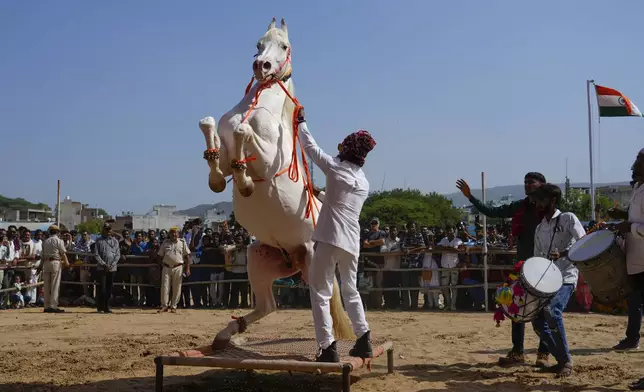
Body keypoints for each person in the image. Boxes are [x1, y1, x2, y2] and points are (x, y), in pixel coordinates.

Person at [297, 107, 376, 362]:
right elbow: (340, 203)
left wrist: (301, 122)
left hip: (330, 238)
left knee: (320, 290)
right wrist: (319, 193)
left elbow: (310, 147)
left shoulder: (334, 167)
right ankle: (363, 338)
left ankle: (327, 346)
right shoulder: (363, 182)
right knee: (350, 290)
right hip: (351, 241)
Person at [456, 173, 550, 367]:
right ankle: (517, 352)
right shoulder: (520, 206)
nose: (527, 185)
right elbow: (491, 211)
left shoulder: (551, 210)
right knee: (517, 306)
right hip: (523, 265)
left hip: (544, 265)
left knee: (543, 311)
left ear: (542, 185)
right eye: (525, 182)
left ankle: (544, 353)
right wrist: (470, 197)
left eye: (531, 182)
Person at [531, 183, 585, 377]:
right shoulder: (539, 228)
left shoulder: (569, 218)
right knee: (536, 321)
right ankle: (561, 359)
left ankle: (566, 361)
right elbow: (537, 258)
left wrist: (564, 253)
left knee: (552, 311)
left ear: (552, 200)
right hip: (547, 280)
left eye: (541, 200)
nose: (537, 203)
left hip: (567, 275)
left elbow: (584, 243)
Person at [610, 150, 644, 390]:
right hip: (635, 259)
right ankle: (632, 338)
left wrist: (629, 226)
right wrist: (622, 217)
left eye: (640, 159)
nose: (635, 162)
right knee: (634, 302)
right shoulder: (637, 188)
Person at [158, 228, 191, 313]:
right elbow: (160, 255)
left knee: (177, 287)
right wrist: (161, 265)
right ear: (169, 234)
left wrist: (187, 268)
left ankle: (174, 306)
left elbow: (187, 256)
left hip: (178, 267)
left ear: (178, 234)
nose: (174, 235)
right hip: (166, 267)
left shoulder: (182, 243)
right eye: (172, 233)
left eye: (175, 233)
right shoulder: (165, 243)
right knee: (165, 287)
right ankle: (164, 306)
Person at [41, 225, 70, 313]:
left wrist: (40, 266)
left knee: (46, 285)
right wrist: (67, 263)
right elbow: (63, 253)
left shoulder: (45, 241)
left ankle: (46, 306)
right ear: (57, 232)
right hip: (55, 262)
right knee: (55, 285)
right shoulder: (59, 241)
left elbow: (42, 256)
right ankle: (53, 306)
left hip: (46, 263)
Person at [94, 224, 120, 313]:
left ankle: (107, 306)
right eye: (107, 229)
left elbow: (117, 255)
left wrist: (112, 265)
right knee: (102, 288)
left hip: (112, 268)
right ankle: (100, 306)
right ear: (103, 230)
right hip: (102, 268)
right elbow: (96, 254)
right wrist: (103, 264)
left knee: (109, 288)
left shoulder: (115, 241)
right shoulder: (98, 240)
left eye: (110, 229)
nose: (108, 231)